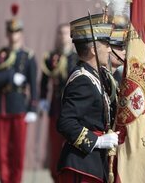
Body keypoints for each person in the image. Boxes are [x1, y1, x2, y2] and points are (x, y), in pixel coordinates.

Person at [56, 13, 119, 183]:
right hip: (82, 166)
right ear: (93, 49)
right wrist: (97, 141)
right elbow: (66, 122)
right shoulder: (83, 80)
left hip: (93, 163)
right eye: (105, 44)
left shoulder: (97, 76)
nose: (108, 49)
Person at [0, 4, 37, 183]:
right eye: (11, 32)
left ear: (21, 33)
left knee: (18, 151)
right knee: (3, 151)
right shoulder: (1, 55)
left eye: (17, 32)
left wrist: (33, 108)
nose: (13, 36)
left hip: (20, 105)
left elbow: (33, 84)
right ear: (7, 34)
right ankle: (5, 180)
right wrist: (11, 76)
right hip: (2, 105)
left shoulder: (28, 56)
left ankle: (16, 180)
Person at [39, 23, 77, 182]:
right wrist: (42, 99)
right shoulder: (51, 57)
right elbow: (44, 81)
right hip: (55, 108)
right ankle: (56, 177)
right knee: (55, 148)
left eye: (67, 33)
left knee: (71, 146)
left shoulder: (77, 57)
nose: (63, 37)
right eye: (61, 33)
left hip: (73, 110)